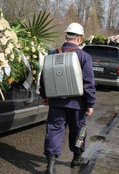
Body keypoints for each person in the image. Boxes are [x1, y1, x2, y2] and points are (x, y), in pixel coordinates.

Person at [39, 22, 96, 174]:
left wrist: (45, 95)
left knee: (54, 131)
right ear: (80, 38)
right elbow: (88, 82)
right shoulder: (84, 57)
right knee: (78, 131)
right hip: (78, 104)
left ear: (65, 36)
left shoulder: (52, 54)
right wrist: (90, 103)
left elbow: (44, 77)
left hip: (56, 102)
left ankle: (50, 167)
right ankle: (76, 160)